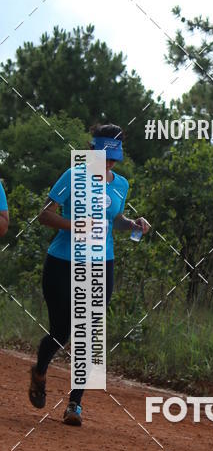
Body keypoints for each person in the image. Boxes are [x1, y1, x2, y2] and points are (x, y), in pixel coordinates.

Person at [28, 124, 150, 425]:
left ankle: (74, 404)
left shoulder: (120, 184)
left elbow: (114, 221)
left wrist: (132, 224)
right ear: (91, 150)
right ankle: (40, 371)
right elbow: (44, 214)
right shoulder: (73, 176)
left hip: (100, 264)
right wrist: (75, 226)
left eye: (113, 159)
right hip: (61, 262)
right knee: (61, 330)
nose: (108, 164)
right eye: (103, 157)